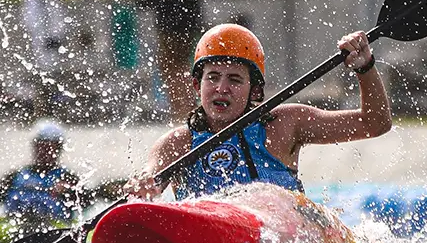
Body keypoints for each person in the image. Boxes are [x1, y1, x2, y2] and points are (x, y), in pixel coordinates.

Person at [127, 23, 391, 200]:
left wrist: (365, 68)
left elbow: (374, 124)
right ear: (197, 85)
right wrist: (144, 186)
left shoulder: (286, 124)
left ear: (254, 91)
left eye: (235, 79)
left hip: (283, 237)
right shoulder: (177, 144)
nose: (222, 88)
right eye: (213, 77)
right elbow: (152, 177)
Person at [0, 120, 88, 225]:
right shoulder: (16, 177)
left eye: (52, 147)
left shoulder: (68, 178)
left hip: (53, 225)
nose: (46, 152)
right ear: (35, 147)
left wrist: (69, 191)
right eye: (42, 146)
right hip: (16, 224)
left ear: (59, 150)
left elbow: (87, 201)